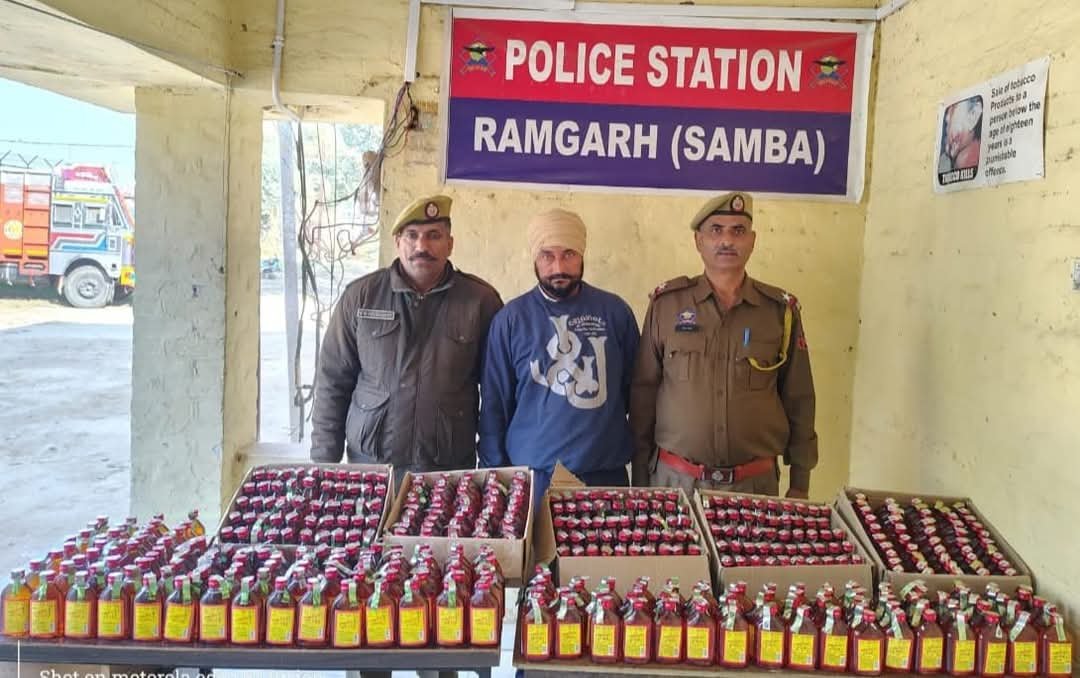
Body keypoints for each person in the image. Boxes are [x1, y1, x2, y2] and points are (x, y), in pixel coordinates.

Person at [629, 192, 818, 498]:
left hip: (755, 487)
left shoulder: (779, 312)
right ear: (698, 241)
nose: (727, 240)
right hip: (674, 483)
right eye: (716, 230)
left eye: (738, 231)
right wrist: (639, 480)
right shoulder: (666, 306)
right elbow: (643, 396)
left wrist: (800, 482)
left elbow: (799, 399)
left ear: (752, 241)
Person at [310, 194, 503, 487]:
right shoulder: (361, 297)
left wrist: (493, 469)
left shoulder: (480, 302)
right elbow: (332, 380)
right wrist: (324, 465)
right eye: (412, 235)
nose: (422, 246)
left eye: (434, 236)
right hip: (371, 467)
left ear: (450, 244)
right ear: (397, 242)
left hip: (446, 473)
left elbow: (496, 394)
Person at [479, 208, 640, 500]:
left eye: (569, 254)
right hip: (534, 479)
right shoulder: (511, 320)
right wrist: (495, 481)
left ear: (582, 254)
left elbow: (636, 393)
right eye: (547, 256)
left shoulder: (615, 313)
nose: (558, 267)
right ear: (534, 258)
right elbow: (494, 407)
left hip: (605, 477)